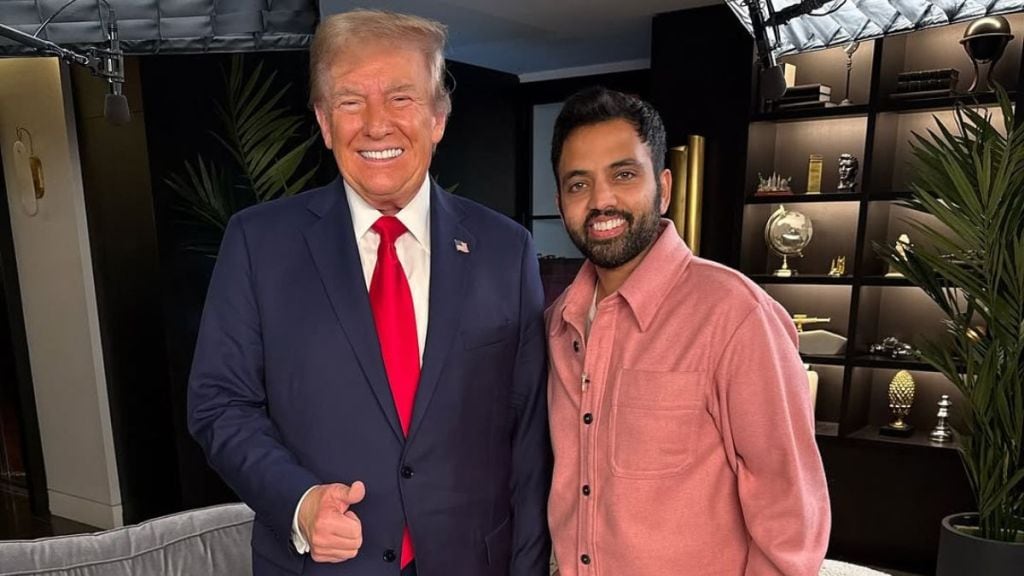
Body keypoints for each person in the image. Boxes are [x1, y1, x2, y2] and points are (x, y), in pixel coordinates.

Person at [188, 10, 551, 576]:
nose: (376, 124)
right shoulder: (259, 243)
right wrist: (300, 503)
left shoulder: (507, 251)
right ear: (325, 122)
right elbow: (219, 404)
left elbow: (530, 435)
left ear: (438, 117)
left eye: (401, 98)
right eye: (351, 101)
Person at [545, 86, 830, 575]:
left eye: (624, 175)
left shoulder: (736, 317)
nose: (601, 200)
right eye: (578, 184)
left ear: (665, 187)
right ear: (560, 201)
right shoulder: (558, 324)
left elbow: (790, 511)